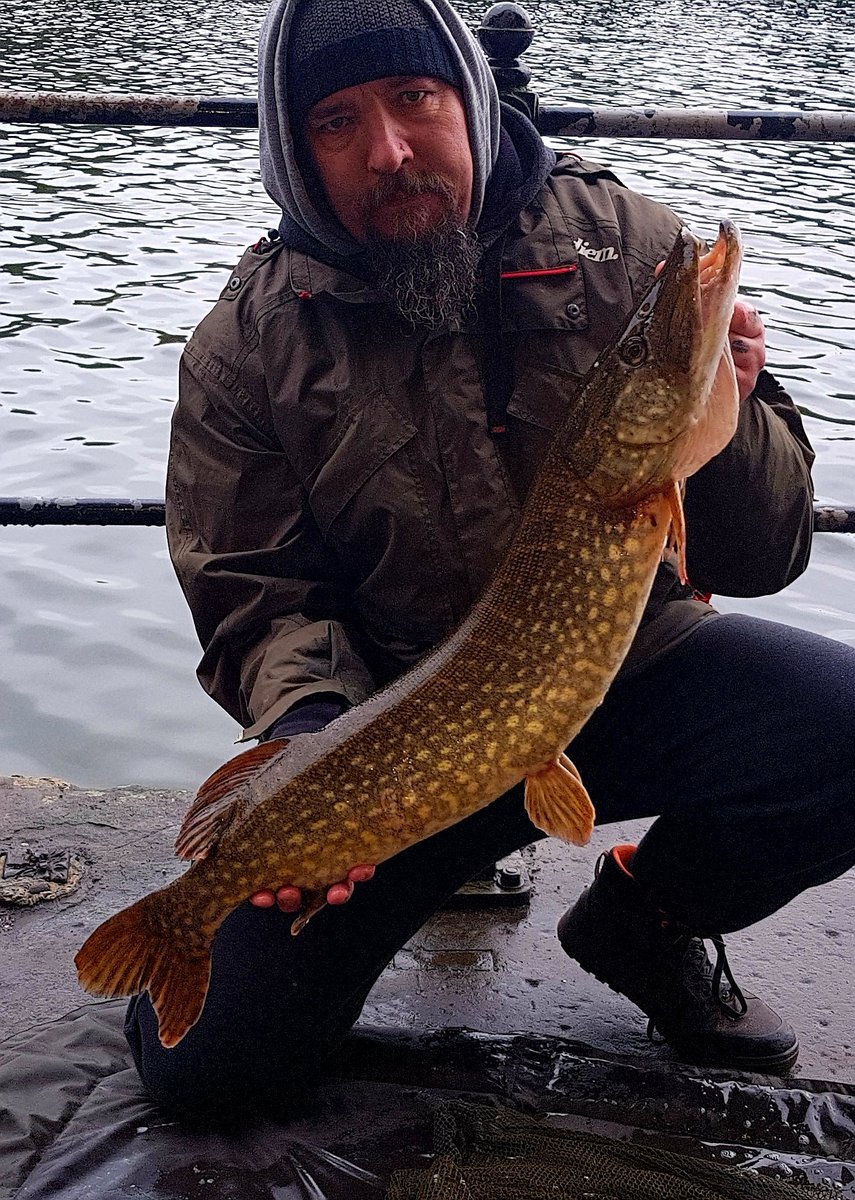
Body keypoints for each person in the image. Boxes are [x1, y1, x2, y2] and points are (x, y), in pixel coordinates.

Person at [126, 0, 855, 1125]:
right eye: (337, 120)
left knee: (845, 728)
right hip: (393, 732)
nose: (390, 150)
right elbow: (256, 595)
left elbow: (765, 555)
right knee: (207, 1075)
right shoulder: (249, 342)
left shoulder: (626, 244)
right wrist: (310, 737)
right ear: (297, 151)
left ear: (466, 95)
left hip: (628, 670)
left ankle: (641, 922)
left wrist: (733, 411)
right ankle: (219, 924)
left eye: (415, 99)